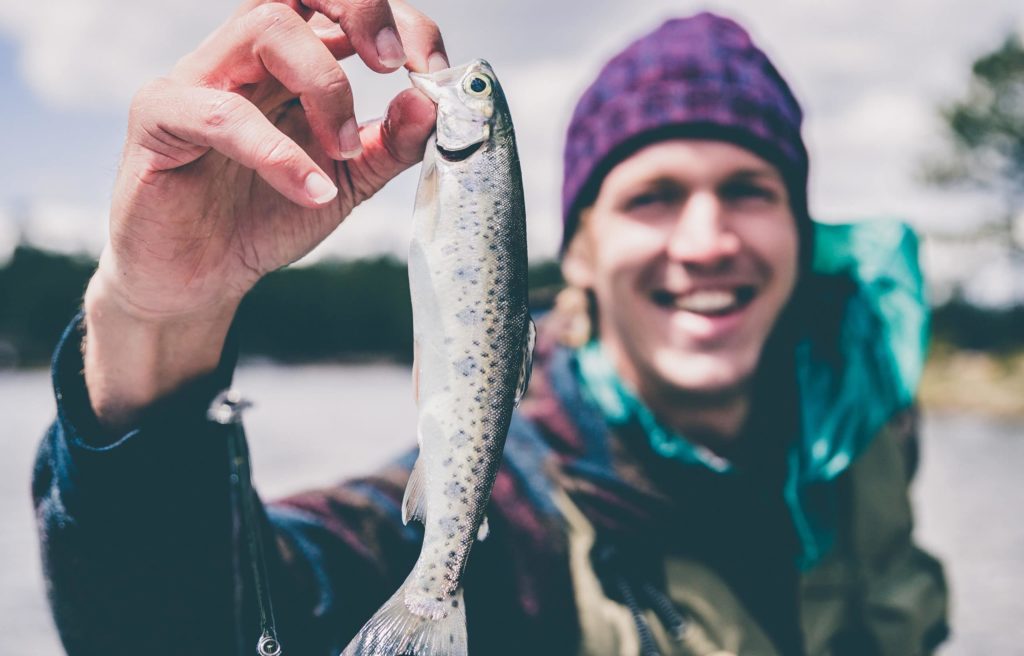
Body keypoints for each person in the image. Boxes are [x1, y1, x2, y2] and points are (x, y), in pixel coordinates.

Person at [32, 1, 949, 654]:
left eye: (749, 191)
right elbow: (174, 630)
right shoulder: (513, 524)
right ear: (579, 251)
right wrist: (157, 320)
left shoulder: (862, 442)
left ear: (802, 231)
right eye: (653, 197)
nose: (705, 242)